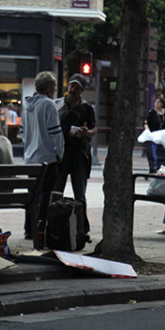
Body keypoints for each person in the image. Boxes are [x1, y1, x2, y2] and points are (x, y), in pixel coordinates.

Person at [53, 74, 97, 240]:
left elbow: (94, 129)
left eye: (77, 87)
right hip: (61, 155)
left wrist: (86, 133)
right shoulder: (57, 104)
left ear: (82, 91)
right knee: (56, 192)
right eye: (72, 85)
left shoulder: (87, 108)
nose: (73, 89)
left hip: (80, 155)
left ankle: (82, 229)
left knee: (80, 195)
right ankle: (53, 227)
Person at [23, 70, 65, 240]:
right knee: (45, 195)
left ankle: (29, 228)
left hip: (30, 158)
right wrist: (60, 153)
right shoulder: (48, 104)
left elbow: (23, 132)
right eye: (54, 86)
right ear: (48, 87)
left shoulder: (26, 106)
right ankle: (40, 230)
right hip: (47, 158)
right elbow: (56, 133)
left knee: (32, 195)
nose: (55, 89)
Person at [144, 95, 165, 173]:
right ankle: (154, 167)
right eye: (155, 102)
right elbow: (146, 123)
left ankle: (164, 166)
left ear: (162, 104)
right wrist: (147, 131)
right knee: (154, 152)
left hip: (164, 136)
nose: (156, 104)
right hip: (154, 135)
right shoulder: (152, 113)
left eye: (158, 102)